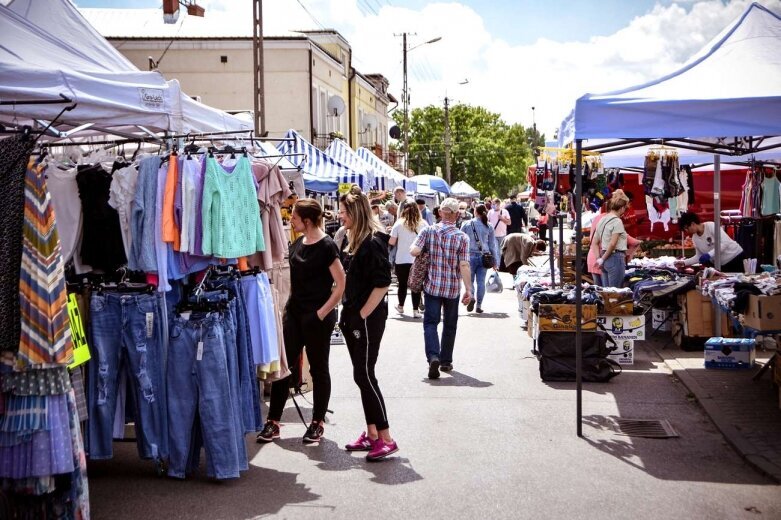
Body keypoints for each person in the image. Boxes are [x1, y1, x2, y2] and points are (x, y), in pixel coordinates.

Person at [257, 199, 345, 444]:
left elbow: (340, 284)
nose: (291, 221)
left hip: (317, 316)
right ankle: (273, 421)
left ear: (306, 220)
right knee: (284, 368)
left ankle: (317, 422)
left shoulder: (327, 246)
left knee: (319, 368)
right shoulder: (297, 243)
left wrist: (322, 312)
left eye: (294, 217)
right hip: (294, 314)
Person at [337, 185, 398, 461]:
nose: (339, 216)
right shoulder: (358, 240)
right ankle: (372, 433)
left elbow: (383, 283)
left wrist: (361, 315)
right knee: (362, 375)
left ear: (355, 212)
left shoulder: (373, 242)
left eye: (343, 211)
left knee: (365, 375)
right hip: (354, 317)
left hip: (366, 319)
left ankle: (385, 437)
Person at [411, 198, 471, 379]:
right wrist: (469, 289)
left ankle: (433, 356)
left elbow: (413, 250)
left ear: (440, 213)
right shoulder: (462, 237)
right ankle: (446, 361)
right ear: (456, 214)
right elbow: (464, 265)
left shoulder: (428, 231)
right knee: (450, 324)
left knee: (430, 322)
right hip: (452, 287)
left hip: (432, 286)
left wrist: (422, 250)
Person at [389, 201, 427, 318]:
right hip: (417, 259)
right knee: (416, 286)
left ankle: (401, 306)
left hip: (401, 259)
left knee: (402, 284)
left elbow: (391, 242)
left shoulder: (398, 224)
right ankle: (415, 310)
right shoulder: (423, 224)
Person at [674, 211, 745, 272]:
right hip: (723, 265)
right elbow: (699, 256)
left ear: (693, 224)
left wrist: (709, 254)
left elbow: (725, 243)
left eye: (686, 228)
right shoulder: (694, 238)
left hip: (736, 257)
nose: (686, 231)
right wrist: (684, 262)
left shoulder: (711, 226)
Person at [460, 204, 499, 313]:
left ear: (475, 212)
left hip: (469, 256)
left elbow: (460, 241)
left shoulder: (466, 224)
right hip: (484, 257)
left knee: (470, 281)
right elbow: (492, 245)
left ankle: (471, 296)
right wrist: (495, 262)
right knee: (481, 282)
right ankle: (479, 306)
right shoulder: (489, 225)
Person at [593, 191, 630, 288]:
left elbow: (594, 243)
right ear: (622, 208)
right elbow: (613, 244)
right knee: (615, 293)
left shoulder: (602, 220)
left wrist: (599, 259)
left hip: (604, 258)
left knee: (607, 294)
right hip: (615, 258)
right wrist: (602, 259)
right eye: (625, 209)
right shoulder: (617, 221)